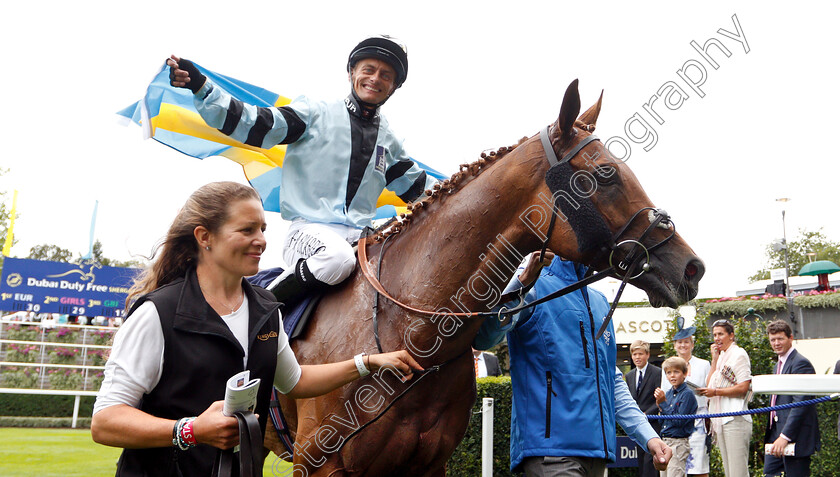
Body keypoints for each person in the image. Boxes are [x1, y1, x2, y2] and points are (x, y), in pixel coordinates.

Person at [90, 182, 422, 477]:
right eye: (247, 230)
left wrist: (367, 363)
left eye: (262, 229)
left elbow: (294, 381)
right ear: (205, 237)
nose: (261, 241)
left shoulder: (265, 308)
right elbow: (105, 421)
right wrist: (191, 430)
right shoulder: (155, 314)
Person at [167, 35, 438, 305]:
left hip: (363, 238)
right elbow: (255, 124)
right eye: (368, 69)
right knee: (337, 258)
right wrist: (202, 88)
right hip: (309, 233)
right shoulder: (313, 113)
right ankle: (257, 310)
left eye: (386, 75)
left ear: (393, 86)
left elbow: (428, 192)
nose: (376, 78)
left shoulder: (389, 141)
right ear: (351, 72)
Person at [474, 251, 672, 476]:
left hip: (596, 456)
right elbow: (485, 337)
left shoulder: (599, 302)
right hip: (550, 454)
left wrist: (650, 437)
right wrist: (521, 283)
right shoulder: (533, 285)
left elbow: (612, 381)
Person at [763, 320, 820, 477]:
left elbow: (801, 404)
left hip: (795, 437)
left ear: (791, 338)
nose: (776, 343)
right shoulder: (778, 365)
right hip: (775, 434)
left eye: (780, 339)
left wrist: (785, 437)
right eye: (773, 340)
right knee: (770, 473)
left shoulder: (801, 363)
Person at [697, 319, 752, 477]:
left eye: (720, 334)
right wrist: (714, 359)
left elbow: (743, 387)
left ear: (731, 335)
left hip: (735, 418)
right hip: (721, 419)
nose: (716, 338)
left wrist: (716, 393)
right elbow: (710, 383)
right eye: (714, 335)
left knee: (738, 472)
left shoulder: (738, 354)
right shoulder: (721, 357)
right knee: (729, 471)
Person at [659, 321, 711, 477]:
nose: (683, 345)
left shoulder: (703, 364)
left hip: (698, 418)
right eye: (680, 342)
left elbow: (710, 389)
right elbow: (665, 393)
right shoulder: (667, 367)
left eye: (686, 342)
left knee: (699, 466)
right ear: (675, 345)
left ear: (692, 344)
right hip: (673, 419)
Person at [655, 356, 698, 477]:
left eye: (676, 372)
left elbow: (679, 421)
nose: (672, 376)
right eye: (669, 372)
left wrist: (663, 404)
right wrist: (660, 406)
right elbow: (662, 422)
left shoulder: (687, 394)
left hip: (678, 443)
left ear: (685, 373)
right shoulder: (668, 393)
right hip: (665, 441)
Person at [626, 340, 662, 477]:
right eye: (634, 354)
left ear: (647, 355)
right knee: (641, 461)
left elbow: (660, 397)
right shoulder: (629, 376)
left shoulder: (657, 372)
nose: (637, 357)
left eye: (640, 354)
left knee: (650, 463)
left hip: (653, 423)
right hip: (637, 425)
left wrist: (647, 413)